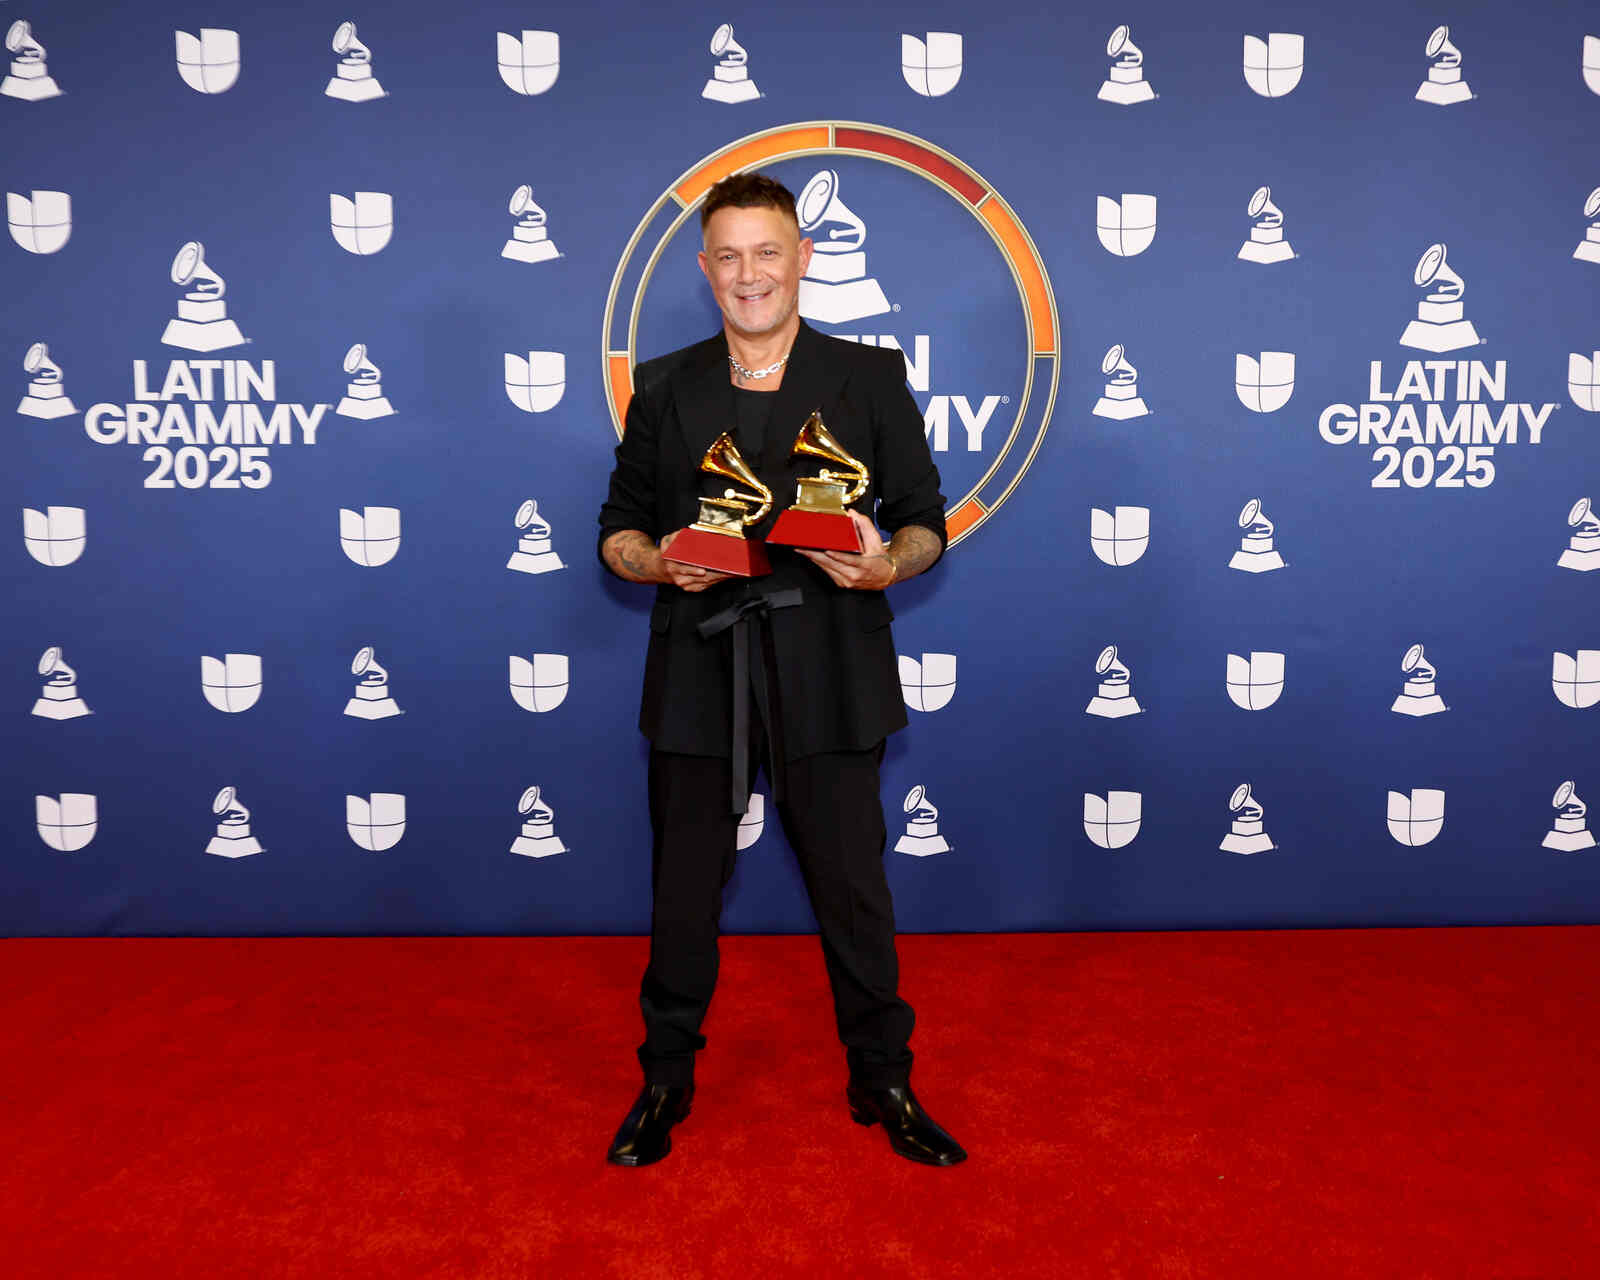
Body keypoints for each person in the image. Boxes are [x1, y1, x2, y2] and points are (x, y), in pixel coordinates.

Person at [597, 171, 966, 1168]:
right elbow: (616, 529)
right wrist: (651, 557)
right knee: (681, 892)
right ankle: (664, 1076)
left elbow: (925, 519)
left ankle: (882, 1078)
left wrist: (889, 560)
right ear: (705, 268)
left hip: (829, 661)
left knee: (853, 889)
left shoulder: (869, 375)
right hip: (697, 665)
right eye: (727, 255)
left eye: (767, 251)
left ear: (802, 258)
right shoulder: (667, 386)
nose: (747, 273)